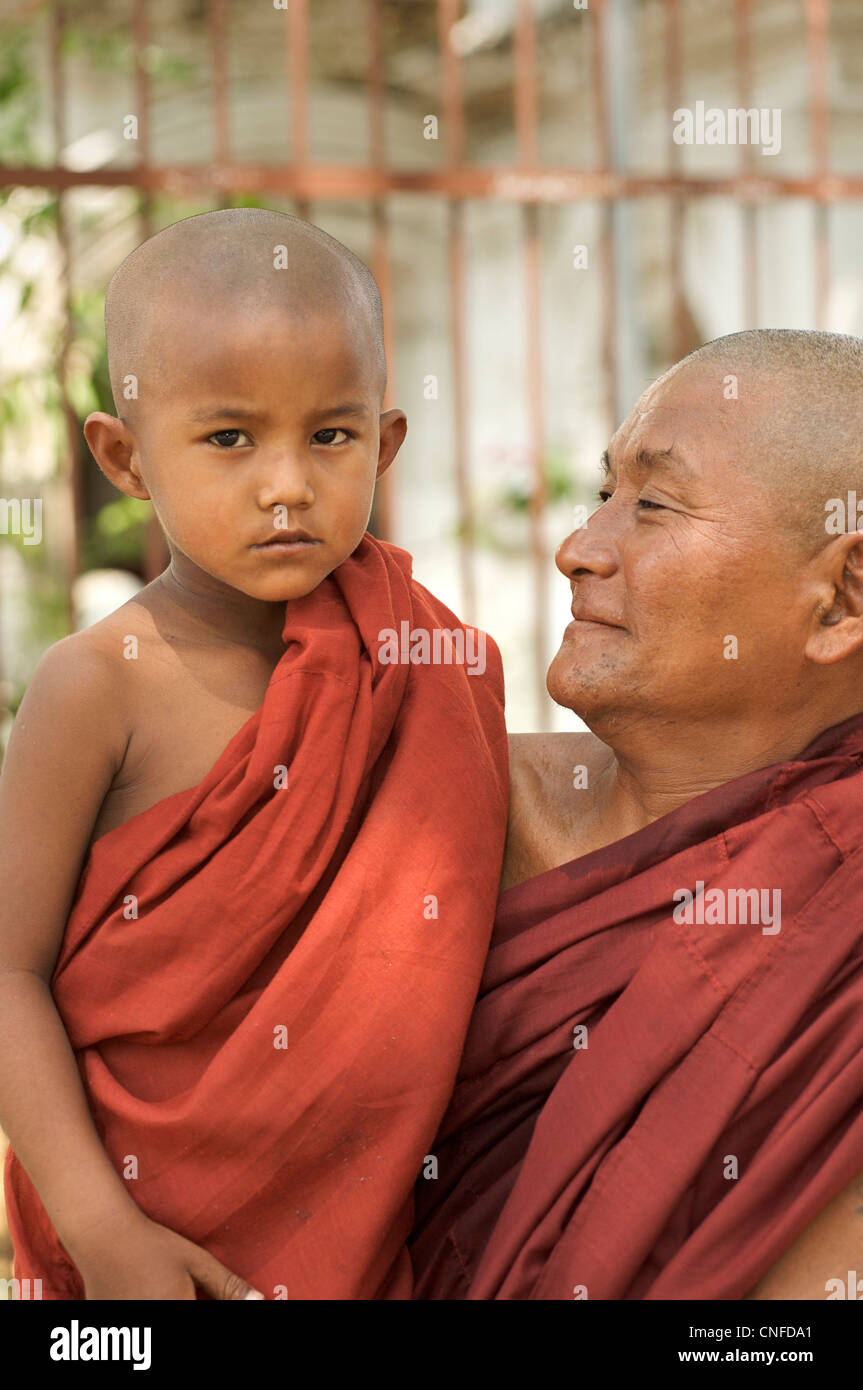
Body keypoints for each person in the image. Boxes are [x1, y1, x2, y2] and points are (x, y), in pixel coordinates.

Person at [0, 208, 508, 1300]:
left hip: (367, 1232)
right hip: (135, 1231)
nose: (287, 484)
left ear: (384, 443)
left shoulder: (423, 658)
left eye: (329, 437)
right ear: (124, 457)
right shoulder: (97, 685)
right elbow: (6, 971)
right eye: (229, 439)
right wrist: (103, 1230)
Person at [410, 328, 863, 1300]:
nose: (577, 549)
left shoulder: (841, 904)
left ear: (839, 598)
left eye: (651, 505)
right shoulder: (435, 813)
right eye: (600, 495)